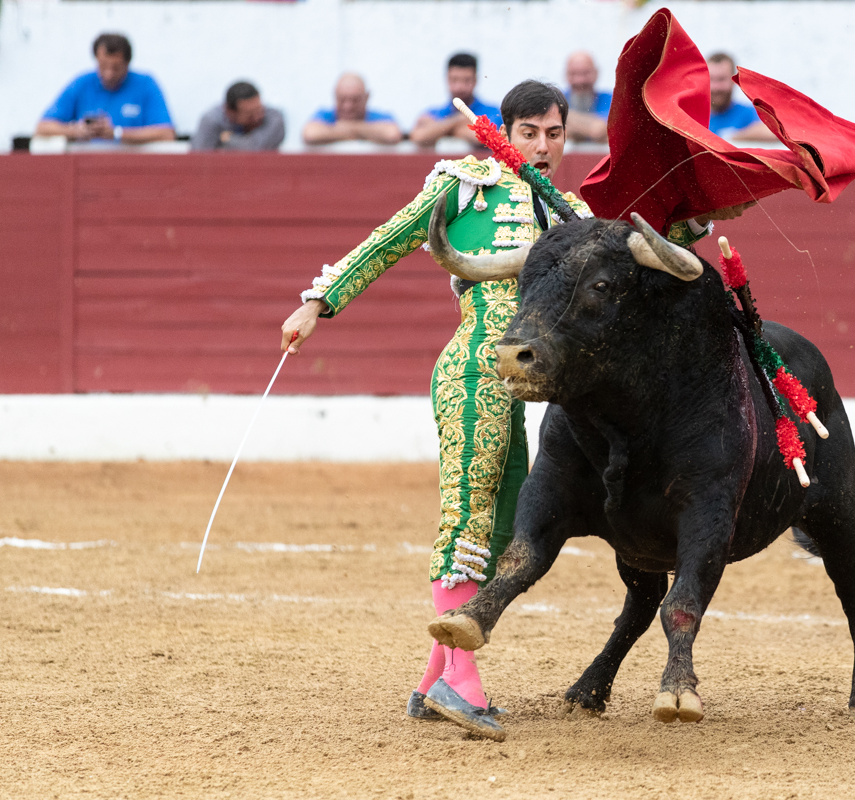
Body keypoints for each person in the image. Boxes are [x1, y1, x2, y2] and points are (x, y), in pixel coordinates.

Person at [279, 80, 731, 741]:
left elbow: (647, 242)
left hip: (531, 389)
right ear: (507, 132)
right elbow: (388, 240)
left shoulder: (575, 212)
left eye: (553, 134)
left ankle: (434, 678)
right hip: (475, 371)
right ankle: (463, 685)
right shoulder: (465, 186)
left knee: (499, 526)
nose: (542, 146)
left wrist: (699, 214)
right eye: (529, 133)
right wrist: (317, 303)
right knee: (466, 517)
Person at [36, 33, 175, 144]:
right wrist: (75, 131)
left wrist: (117, 133)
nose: (109, 74)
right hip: (88, 165)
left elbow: (166, 133)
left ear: (127, 63)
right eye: (103, 66)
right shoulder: (82, 83)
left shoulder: (145, 85)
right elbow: (42, 128)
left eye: (116, 68)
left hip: (133, 168)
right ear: (96, 59)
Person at [409, 53, 501, 147]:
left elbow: (488, 138)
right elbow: (418, 137)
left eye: (466, 80)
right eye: (454, 80)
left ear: (475, 80)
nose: (459, 87)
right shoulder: (434, 112)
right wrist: (460, 120)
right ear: (447, 79)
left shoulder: (493, 112)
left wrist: (438, 130)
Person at [301, 73, 402, 146]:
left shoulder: (380, 117)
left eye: (355, 100)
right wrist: (365, 132)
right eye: (342, 99)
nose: (348, 106)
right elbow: (310, 134)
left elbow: (392, 134)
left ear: (366, 97)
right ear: (335, 97)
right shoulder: (325, 115)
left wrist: (347, 128)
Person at [190, 81, 285, 151]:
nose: (258, 117)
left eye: (260, 109)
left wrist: (229, 139)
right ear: (230, 112)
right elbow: (199, 156)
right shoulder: (212, 120)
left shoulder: (274, 118)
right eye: (250, 115)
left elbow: (257, 149)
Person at [706, 52, 777, 143]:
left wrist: (731, 137)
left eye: (721, 79)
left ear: (734, 80)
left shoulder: (747, 112)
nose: (715, 87)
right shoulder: (693, 115)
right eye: (711, 79)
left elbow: (773, 133)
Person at [564, 51, 610, 143]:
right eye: (574, 74)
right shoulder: (556, 98)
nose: (580, 80)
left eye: (585, 73)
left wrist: (559, 115)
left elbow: (598, 130)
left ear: (596, 73)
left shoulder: (612, 100)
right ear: (566, 75)